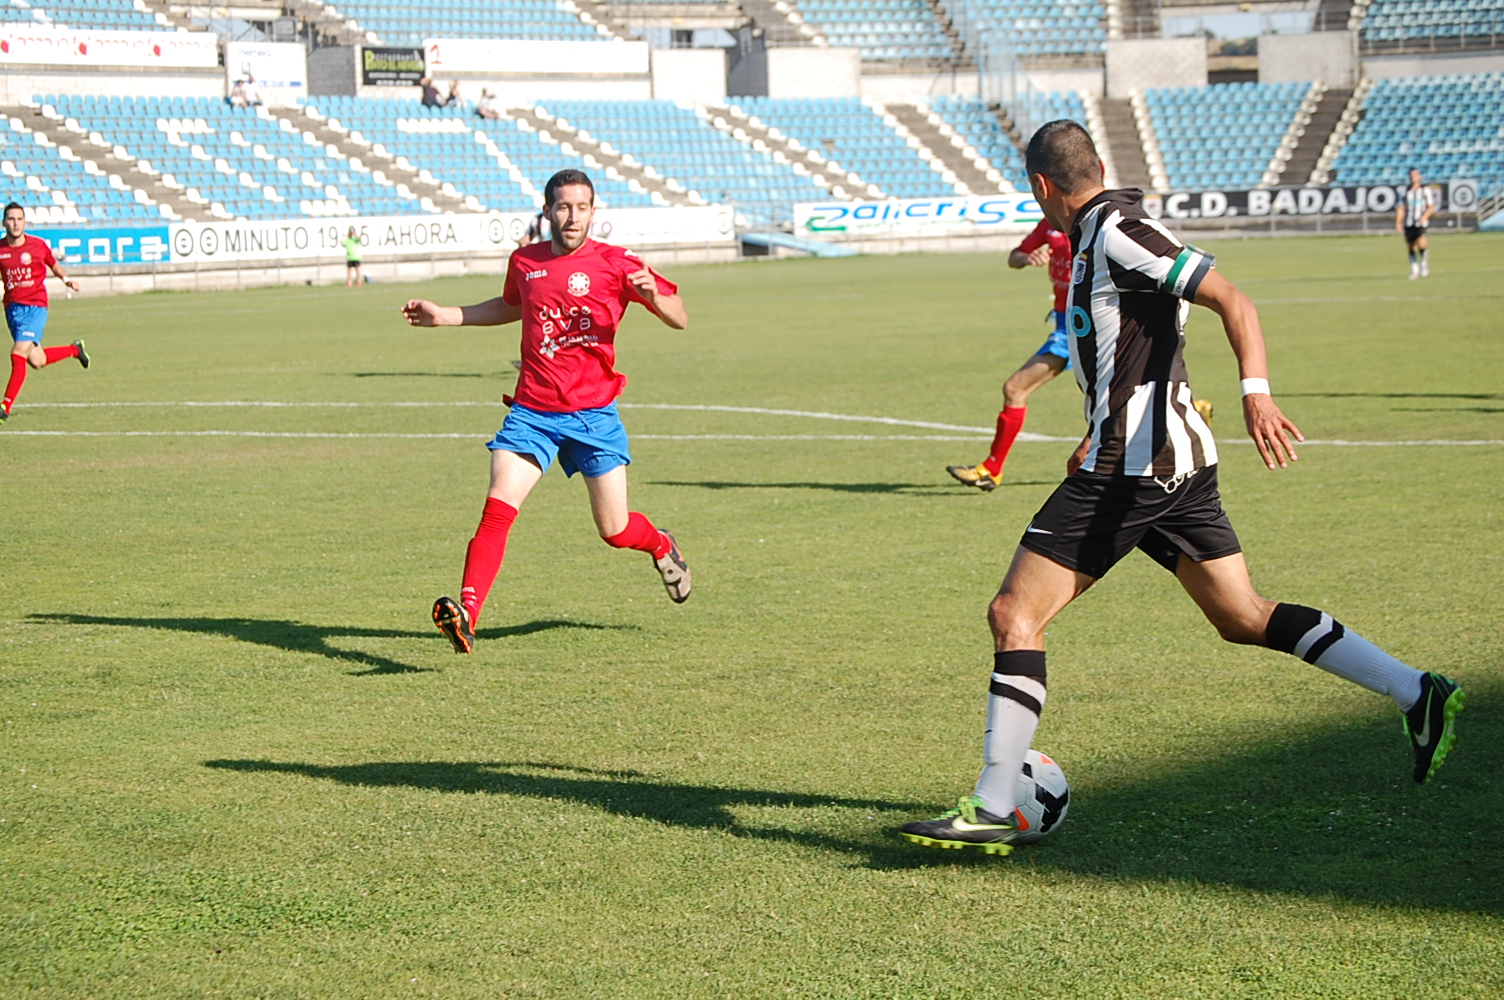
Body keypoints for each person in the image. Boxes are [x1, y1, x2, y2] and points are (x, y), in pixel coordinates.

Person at [899, 121, 1465, 856]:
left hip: (1136, 470)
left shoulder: (1118, 230)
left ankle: (993, 803)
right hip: (1166, 463)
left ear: (1042, 187)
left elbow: (1235, 299)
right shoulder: (1109, 229)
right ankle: (1417, 692)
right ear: (1095, 167)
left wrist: (1255, 392)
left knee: (1014, 615)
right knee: (1241, 614)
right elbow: (1133, 350)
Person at [401, 169, 692, 654]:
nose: (572, 216)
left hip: (594, 415)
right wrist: (448, 315)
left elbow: (680, 316)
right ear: (547, 211)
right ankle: (468, 614)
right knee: (498, 507)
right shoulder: (526, 260)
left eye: (581, 207)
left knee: (615, 531)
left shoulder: (617, 263)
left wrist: (653, 298)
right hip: (532, 411)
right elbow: (511, 304)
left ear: (594, 212)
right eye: (562, 207)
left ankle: (661, 545)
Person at [949, 216, 1212, 492]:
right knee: (1018, 390)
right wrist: (1027, 257)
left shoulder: (1102, 228)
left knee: (1109, 408)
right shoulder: (1050, 223)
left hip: (1096, 328)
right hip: (1067, 327)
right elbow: (1014, 257)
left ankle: (996, 470)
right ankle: (993, 469)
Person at [1, 202, 86, 424]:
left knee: (17, 353)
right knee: (36, 360)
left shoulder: (37, 245)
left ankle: (4, 407)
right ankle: (74, 350)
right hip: (12, 310)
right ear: (4, 223)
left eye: (19, 219)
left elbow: (52, 263)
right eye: (11, 219)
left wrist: (66, 280)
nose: (15, 223)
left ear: (24, 222)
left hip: (36, 306)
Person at [1396, 167, 1436, 279]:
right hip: (1408, 222)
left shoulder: (1425, 190)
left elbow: (1431, 206)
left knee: (1422, 244)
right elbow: (1401, 207)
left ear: (1419, 177)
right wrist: (1398, 222)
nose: (1414, 178)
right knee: (1411, 247)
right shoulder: (1405, 191)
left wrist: (1424, 217)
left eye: (1416, 175)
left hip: (1421, 223)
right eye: (1412, 176)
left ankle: (1424, 265)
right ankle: (1415, 270)